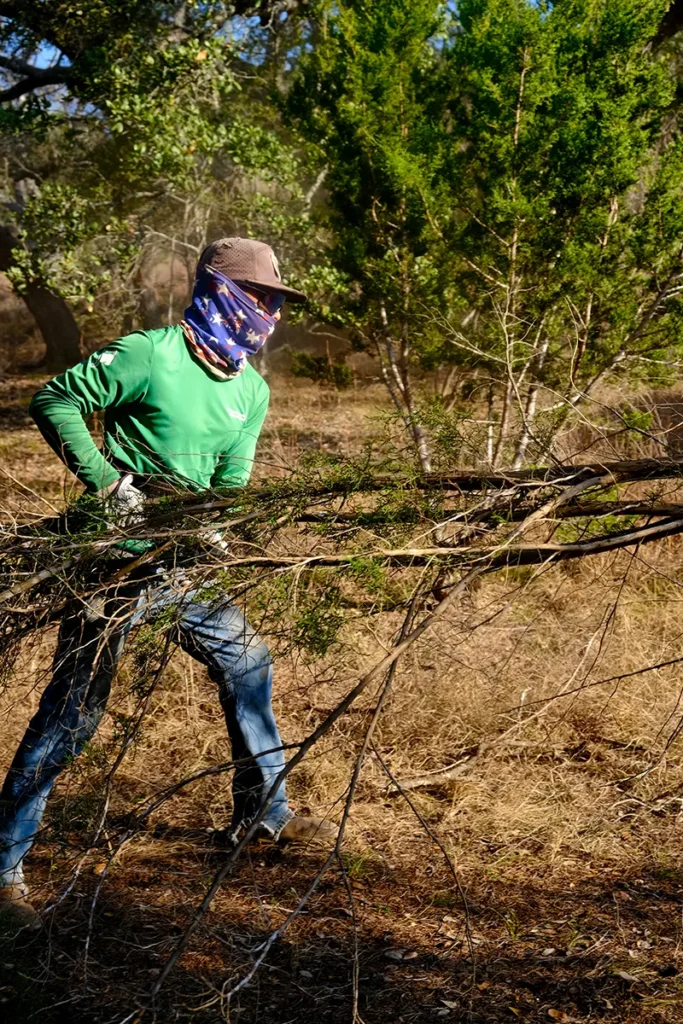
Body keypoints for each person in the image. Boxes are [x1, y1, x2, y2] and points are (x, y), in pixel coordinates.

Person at [0, 237, 336, 932]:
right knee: (71, 719)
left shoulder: (249, 387)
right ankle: (3, 871)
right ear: (220, 290)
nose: (268, 312)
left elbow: (231, 484)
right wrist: (105, 483)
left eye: (275, 301)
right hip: (115, 565)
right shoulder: (150, 354)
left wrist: (219, 526)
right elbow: (55, 398)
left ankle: (263, 816)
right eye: (260, 296)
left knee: (248, 663)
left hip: (180, 565)